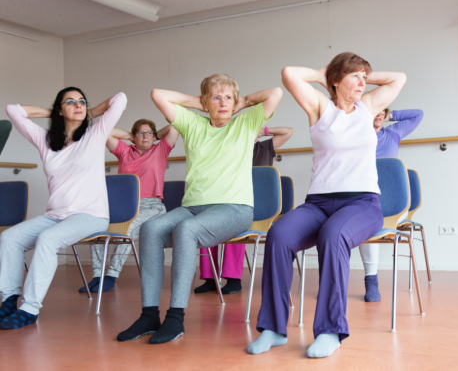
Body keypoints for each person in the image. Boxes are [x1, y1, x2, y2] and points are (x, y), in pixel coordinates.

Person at [247, 52, 406, 358]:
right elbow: (289, 72)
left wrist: (360, 75)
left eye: (364, 77)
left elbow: (399, 78)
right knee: (279, 235)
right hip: (318, 203)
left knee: (333, 236)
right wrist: (325, 75)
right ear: (335, 80)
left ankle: (330, 331)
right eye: (354, 76)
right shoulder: (320, 107)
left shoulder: (368, 106)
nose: (361, 82)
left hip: (362, 203)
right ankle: (273, 329)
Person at [117, 74, 282, 344]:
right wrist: (198, 103)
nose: (223, 102)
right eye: (216, 97)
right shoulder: (192, 123)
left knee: (186, 231)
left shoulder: (246, 123)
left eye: (228, 97)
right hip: (193, 207)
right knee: (150, 228)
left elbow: (275, 92)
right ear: (206, 102)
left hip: (235, 208)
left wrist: (243, 102)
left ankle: (175, 318)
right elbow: (158, 93)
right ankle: (149, 315)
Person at [0, 88, 126, 329]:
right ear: (59, 108)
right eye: (71, 102)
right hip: (55, 216)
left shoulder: (95, 133)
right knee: (10, 237)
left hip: (91, 215)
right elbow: (13, 111)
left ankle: (30, 308)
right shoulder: (45, 139)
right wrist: (58, 114)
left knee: (48, 240)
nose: (78, 105)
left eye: (82, 101)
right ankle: (9, 299)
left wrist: (86, 113)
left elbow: (120, 99)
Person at [79, 119, 179, 293]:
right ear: (134, 136)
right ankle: (98, 275)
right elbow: (103, 131)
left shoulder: (160, 150)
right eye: (141, 133)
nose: (145, 136)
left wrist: (154, 136)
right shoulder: (124, 151)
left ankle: (111, 276)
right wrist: (129, 137)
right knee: (96, 224)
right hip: (124, 206)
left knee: (129, 226)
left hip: (152, 206)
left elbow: (174, 127)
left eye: (149, 133)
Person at [195, 125, 294, 295]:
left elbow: (288, 131)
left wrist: (261, 131)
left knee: (236, 221)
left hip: (255, 208)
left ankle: (233, 279)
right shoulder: (226, 153)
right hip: (227, 203)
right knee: (205, 225)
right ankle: (210, 279)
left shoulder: (264, 148)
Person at [360, 107, 423, 302]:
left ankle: (371, 282)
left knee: (368, 220)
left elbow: (418, 114)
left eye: (383, 111)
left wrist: (388, 113)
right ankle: (334, 281)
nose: (379, 113)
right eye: (374, 109)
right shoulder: (357, 136)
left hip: (394, 206)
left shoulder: (393, 133)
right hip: (365, 202)